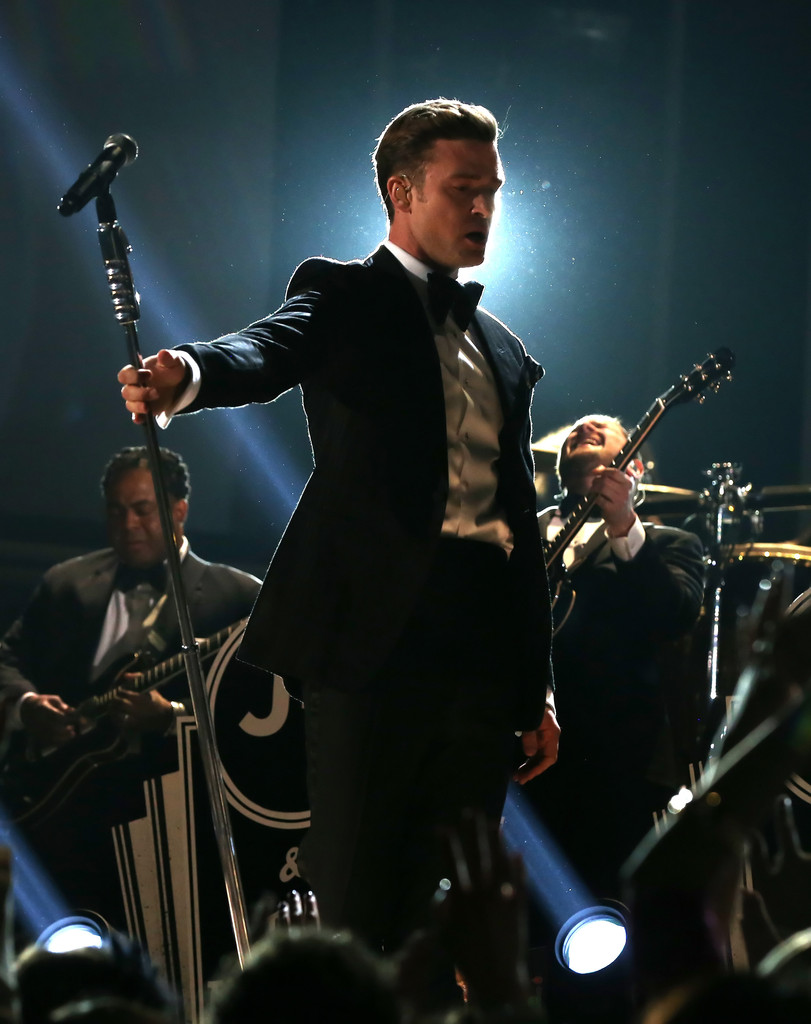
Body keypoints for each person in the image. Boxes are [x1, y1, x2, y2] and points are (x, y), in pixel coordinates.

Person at [117, 99, 559, 964]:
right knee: (357, 897)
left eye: (492, 192)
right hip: (377, 647)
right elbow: (270, 347)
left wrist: (536, 683)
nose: (481, 209)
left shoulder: (504, 349)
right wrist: (191, 372)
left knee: (456, 910)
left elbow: (520, 532)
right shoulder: (345, 295)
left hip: (479, 664)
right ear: (401, 192)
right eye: (462, 189)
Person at [0, 446, 261, 931]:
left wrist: (174, 718)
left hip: (172, 833)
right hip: (53, 820)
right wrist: (28, 706)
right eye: (116, 511)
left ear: (178, 510)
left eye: (143, 509)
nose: (128, 524)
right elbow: (6, 660)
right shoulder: (66, 583)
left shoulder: (238, 598)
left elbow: (259, 720)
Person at [530, 414, 704, 912]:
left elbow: (672, 616)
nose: (583, 428)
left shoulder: (670, 543)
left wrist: (623, 524)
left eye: (601, 429)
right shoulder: (520, 533)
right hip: (523, 758)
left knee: (605, 914)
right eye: (576, 431)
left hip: (614, 771)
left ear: (637, 466)